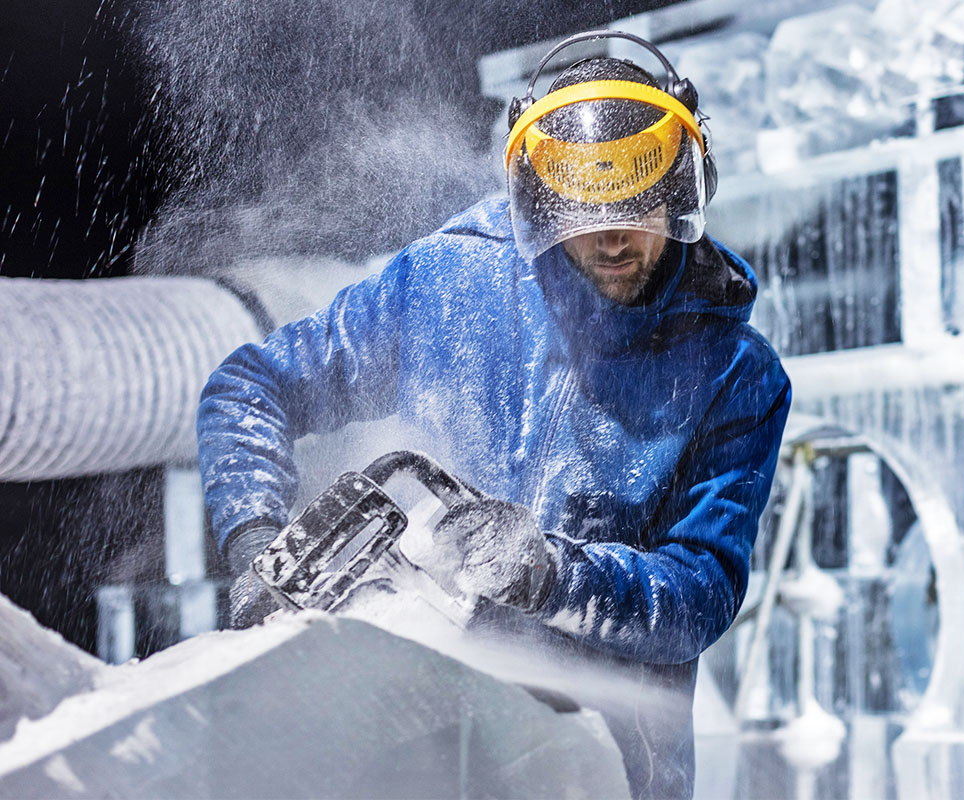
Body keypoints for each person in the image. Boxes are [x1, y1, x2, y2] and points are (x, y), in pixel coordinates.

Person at [197, 33, 790, 800]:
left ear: (684, 185)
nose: (610, 237)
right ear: (539, 198)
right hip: (420, 748)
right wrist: (255, 544)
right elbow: (250, 388)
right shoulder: (446, 286)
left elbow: (700, 592)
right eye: (583, 212)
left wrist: (556, 577)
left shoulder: (736, 373)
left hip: (606, 768)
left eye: (634, 208)